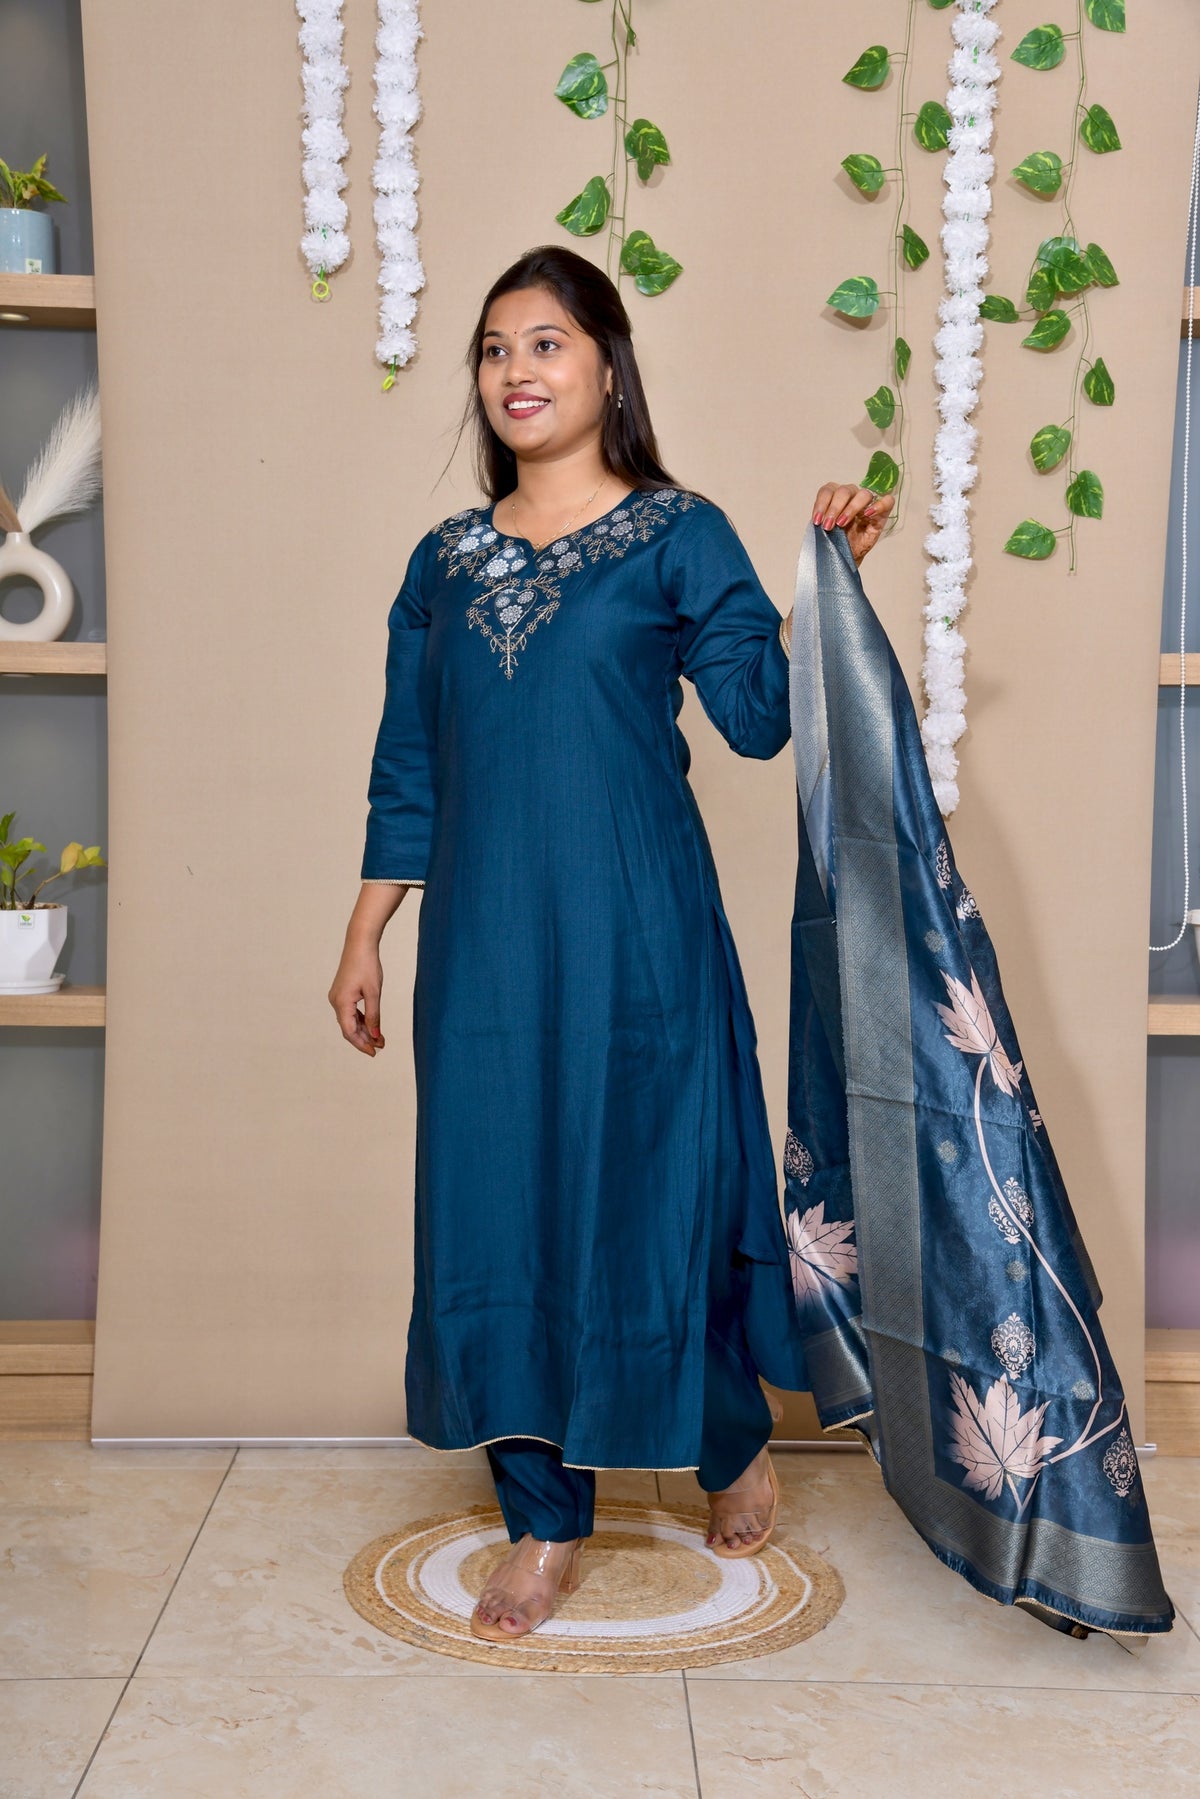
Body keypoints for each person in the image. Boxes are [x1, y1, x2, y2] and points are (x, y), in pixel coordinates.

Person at [328, 244, 894, 1642]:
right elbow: (411, 762)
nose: (515, 371)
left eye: (546, 344)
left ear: (608, 368)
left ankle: (724, 1435)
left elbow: (756, 718)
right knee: (494, 1204)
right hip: (485, 949)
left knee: (657, 1199)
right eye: (493, 348)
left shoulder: (676, 534)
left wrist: (827, 580)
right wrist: (366, 933)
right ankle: (543, 1518)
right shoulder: (445, 562)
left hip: (641, 939)